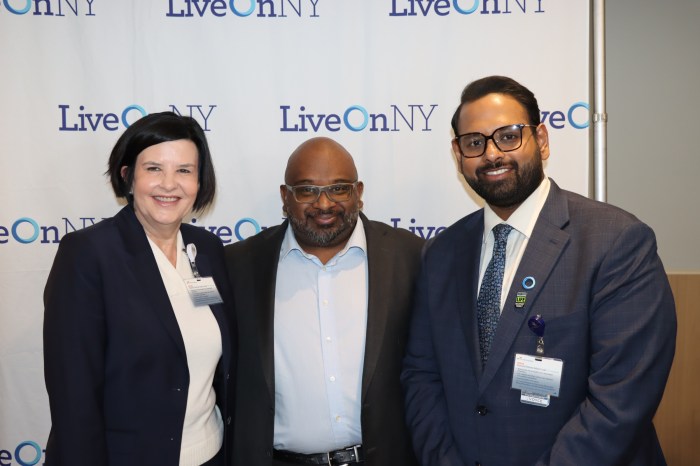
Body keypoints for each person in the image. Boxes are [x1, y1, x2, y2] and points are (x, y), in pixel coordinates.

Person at [401, 76, 677, 465]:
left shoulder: (616, 242)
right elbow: (421, 376)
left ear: (542, 139)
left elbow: (621, 400)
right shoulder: (441, 254)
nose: (492, 154)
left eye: (509, 136)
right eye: (475, 142)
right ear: (458, 154)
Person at [43, 112, 235, 466]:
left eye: (184, 170)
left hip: (211, 452)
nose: (169, 184)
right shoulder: (88, 255)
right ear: (127, 176)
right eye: (153, 169)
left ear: (199, 181)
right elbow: (74, 396)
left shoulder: (206, 249)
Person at [225, 137, 423, 466]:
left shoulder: (410, 257)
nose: (325, 204)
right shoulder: (240, 265)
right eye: (306, 190)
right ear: (285, 197)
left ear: (359, 193)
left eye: (339, 188)